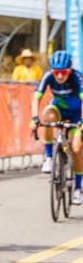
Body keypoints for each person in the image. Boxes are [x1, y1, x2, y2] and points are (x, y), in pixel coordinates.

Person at [31, 50, 83, 201]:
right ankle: (48, 157)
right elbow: (36, 98)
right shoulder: (48, 76)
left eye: (63, 72)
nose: (59, 76)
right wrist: (34, 118)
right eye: (56, 72)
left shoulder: (77, 77)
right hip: (58, 110)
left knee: (76, 149)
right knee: (47, 116)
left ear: (70, 70)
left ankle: (78, 188)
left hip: (76, 114)